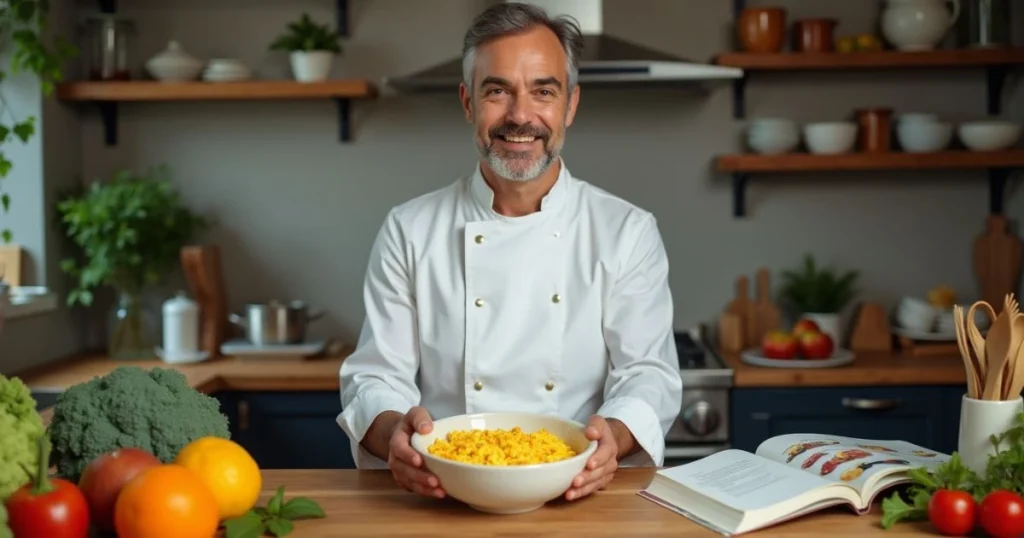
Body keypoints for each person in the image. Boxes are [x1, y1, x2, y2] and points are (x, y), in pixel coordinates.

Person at [337, 2, 683, 503]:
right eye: (497, 91)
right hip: (443, 492)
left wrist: (615, 434)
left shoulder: (626, 231)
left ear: (570, 105)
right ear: (468, 103)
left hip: (574, 493)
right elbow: (375, 375)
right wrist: (394, 434)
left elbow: (647, 374)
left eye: (543, 91)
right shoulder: (410, 229)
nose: (521, 116)